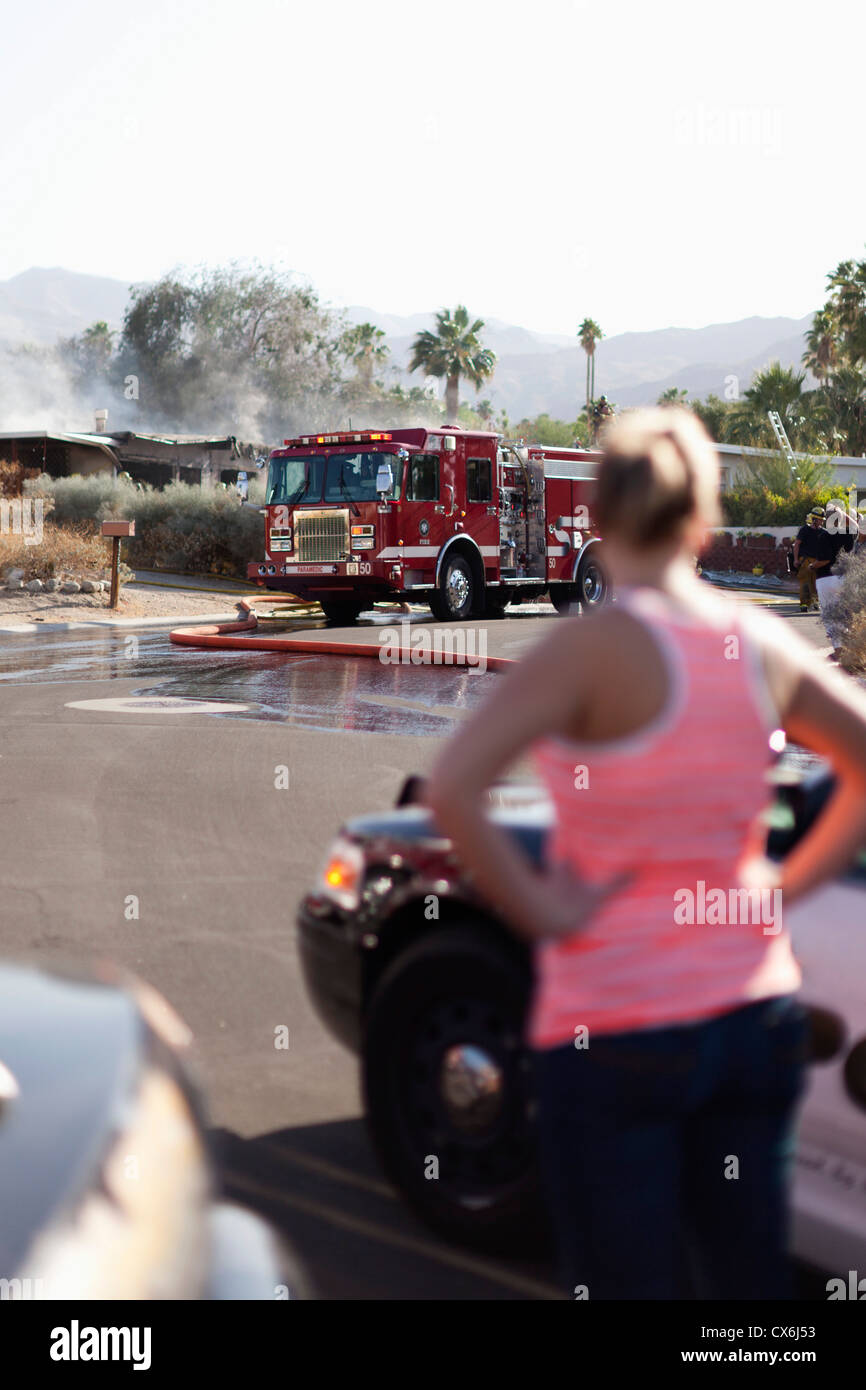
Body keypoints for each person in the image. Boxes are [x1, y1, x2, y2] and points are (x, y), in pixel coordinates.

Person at [426, 407, 866, 1300]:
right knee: (748, 1288)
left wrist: (546, 912)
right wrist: (785, 888)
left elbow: (453, 789)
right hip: (751, 1016)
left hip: (616, 1024)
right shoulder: (761, 642)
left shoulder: (587, 651)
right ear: (703, 522)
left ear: (597, 518)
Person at [793, 506, 834, 611]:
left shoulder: (824, 532)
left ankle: (815, 602)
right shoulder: (805, 530)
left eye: (822, 520)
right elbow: (797, 544)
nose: (822, 522)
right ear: (814, 519)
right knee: (805, 582)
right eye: (820, 520)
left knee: (817, 582)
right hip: (805, 560)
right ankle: (804, 604)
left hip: (818, 561)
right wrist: (796, 559)